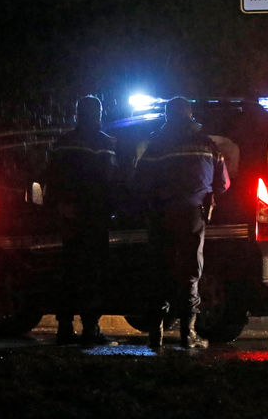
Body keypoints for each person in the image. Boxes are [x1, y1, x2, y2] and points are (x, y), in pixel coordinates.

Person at [134, 96, 230, 348]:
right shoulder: (207, 144)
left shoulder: (157, 145)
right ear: (190, 115)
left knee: (159, 272)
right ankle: (188, 335)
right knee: (190, 272)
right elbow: (223, 184)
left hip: (161, 217)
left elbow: (139, 182)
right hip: (192, 216)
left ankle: (156, 335)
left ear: (168, 116)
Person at [44, 95, 118, 346]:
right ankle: (90, 330)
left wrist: (60, 206)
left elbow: (50, 180)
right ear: (99, 115)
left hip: (69, 219)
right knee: (93, 274)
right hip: (95, 219)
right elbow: (111, 181)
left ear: (77, 115)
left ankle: (64, 329)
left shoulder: (62, 143)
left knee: (68, 274)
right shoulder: (105, 143)